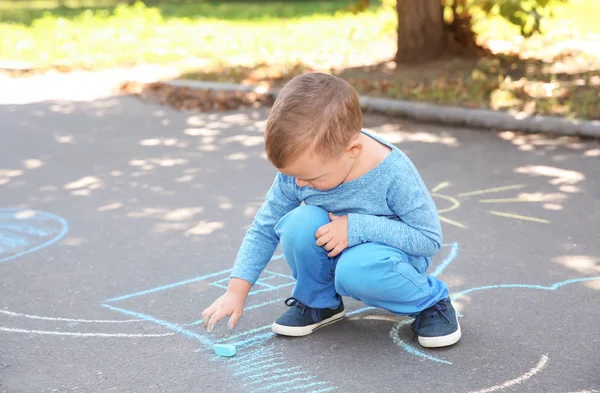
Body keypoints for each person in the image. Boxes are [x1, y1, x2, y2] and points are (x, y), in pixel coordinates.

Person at [201, 72, 461, 348]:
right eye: (295, 176)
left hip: (393, 258)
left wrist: (356, 227)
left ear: (352, 151)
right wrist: (235, 292)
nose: (300, 184)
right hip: (338, 246)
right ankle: (320, 302)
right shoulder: (303, 167)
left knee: (356, 269)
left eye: (311, 179)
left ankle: (430, 301)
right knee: (298, 223)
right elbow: (265, 228)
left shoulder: (394, 174)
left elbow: (428, 239)